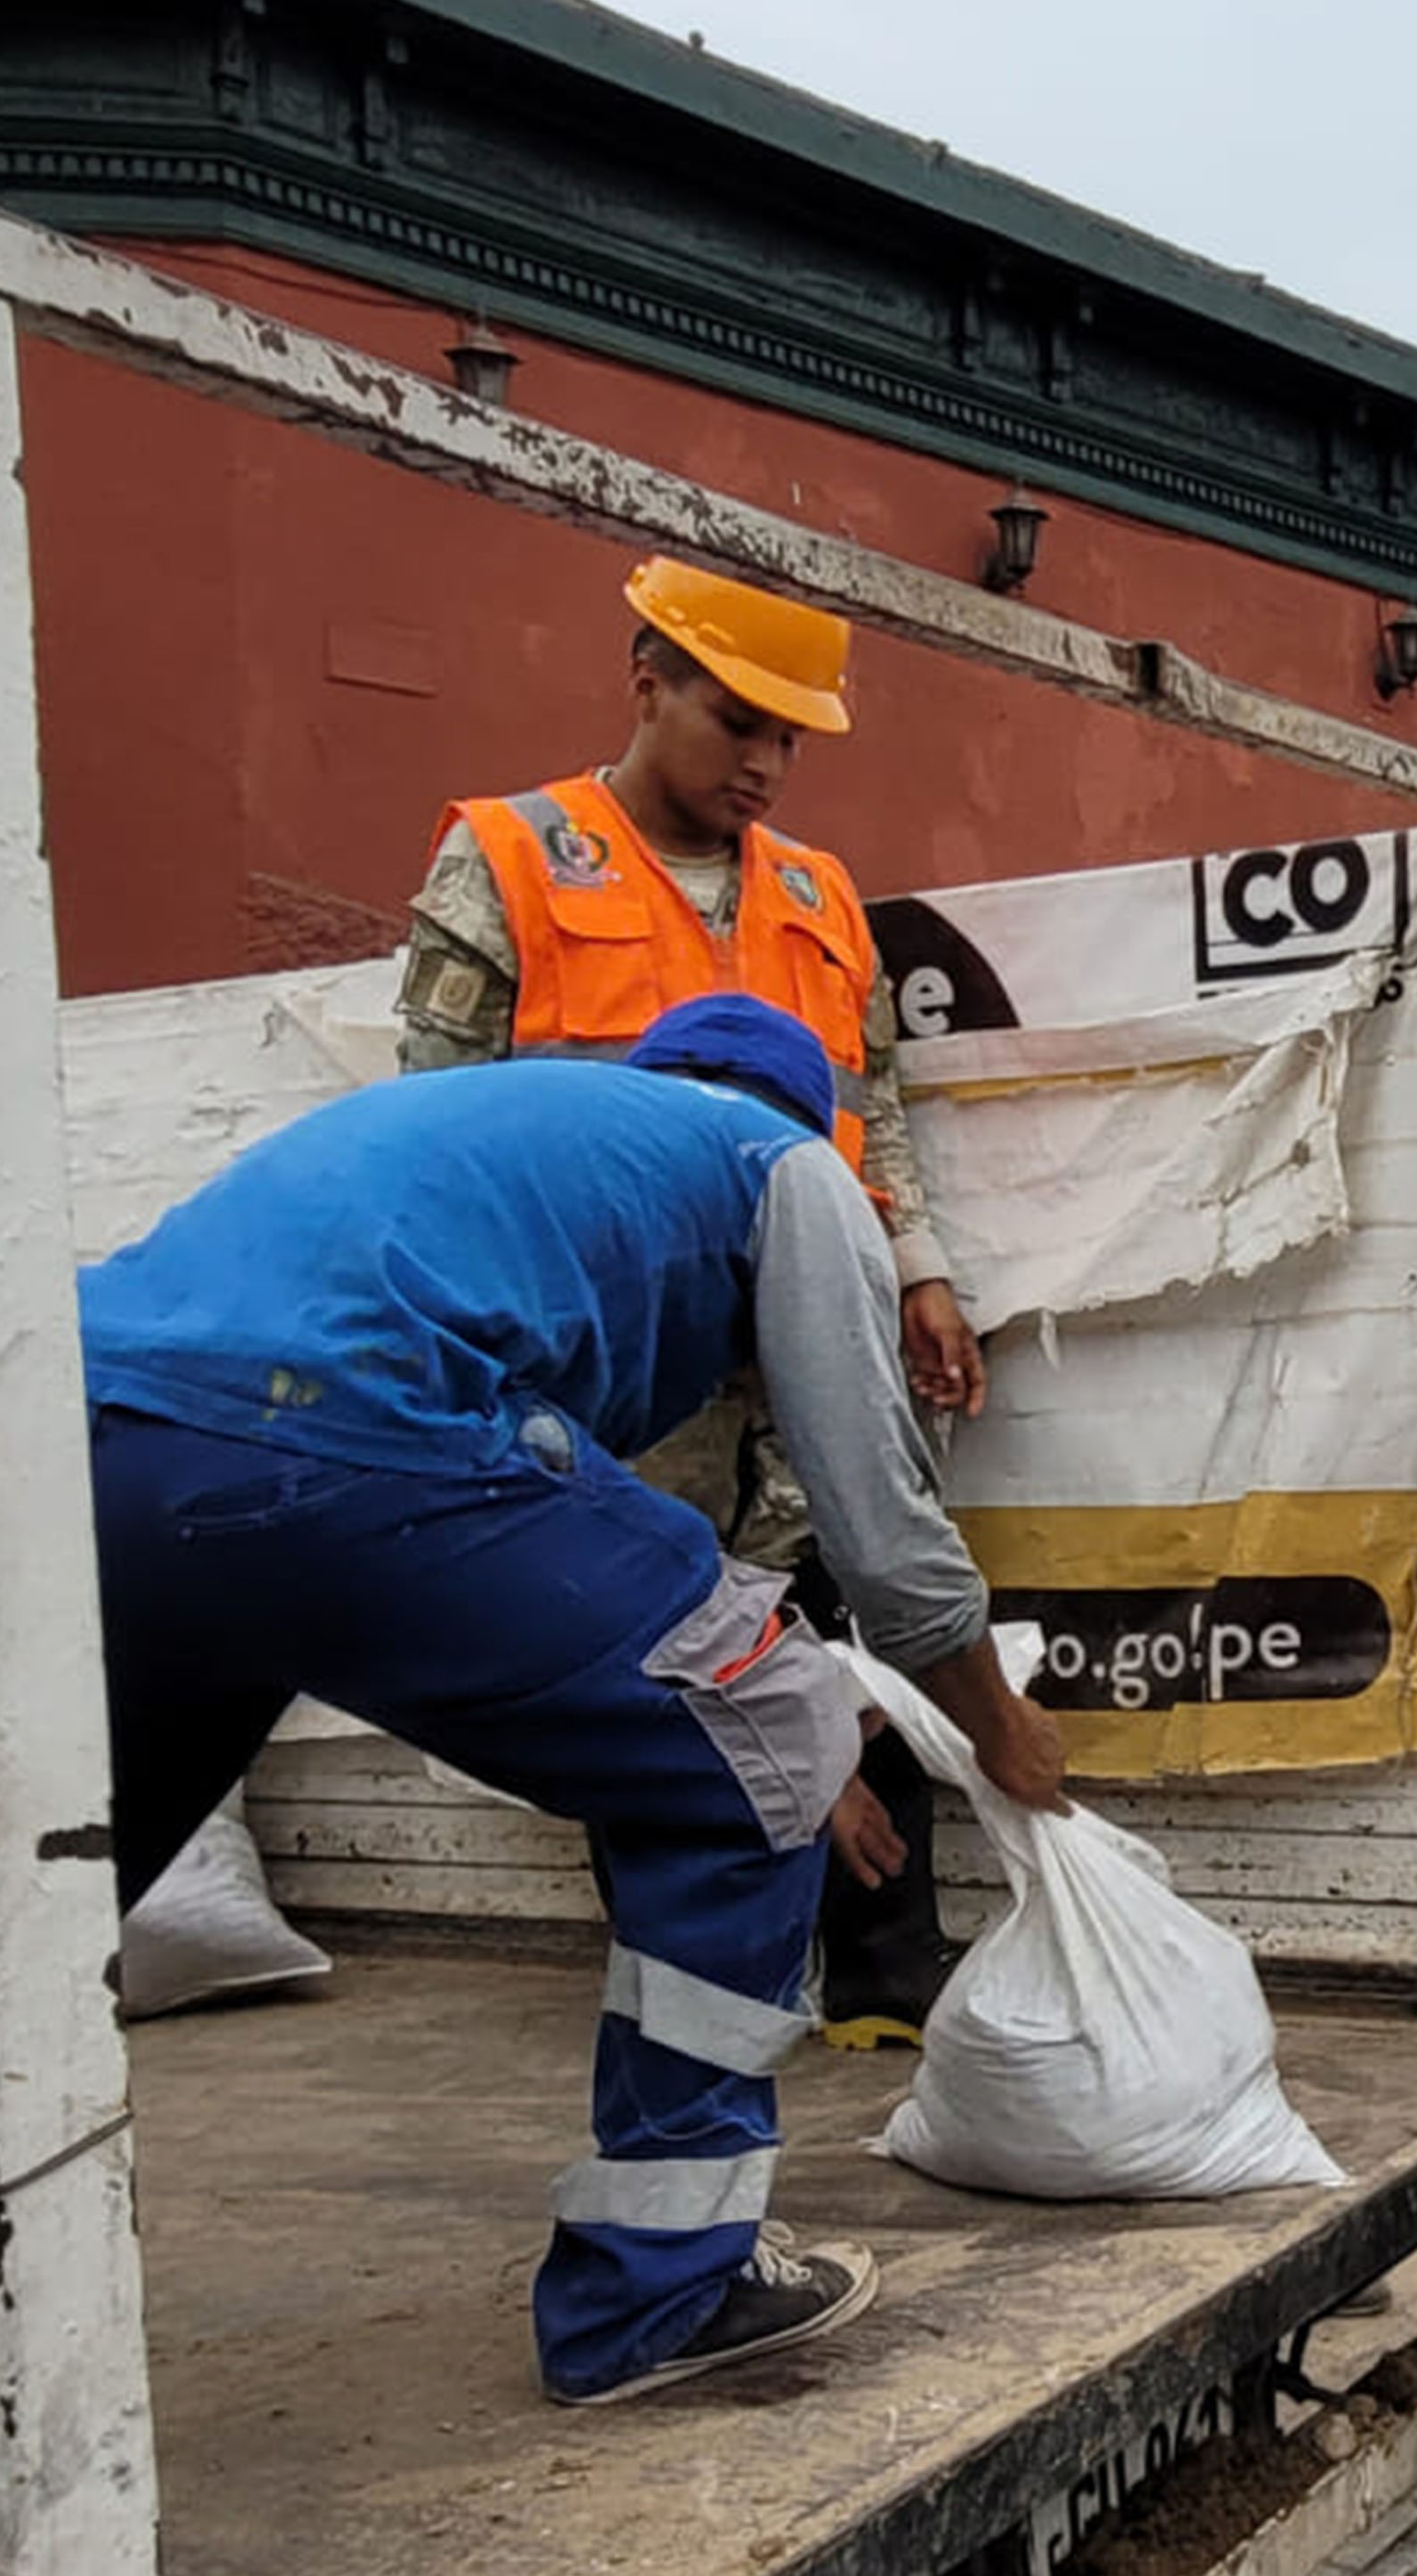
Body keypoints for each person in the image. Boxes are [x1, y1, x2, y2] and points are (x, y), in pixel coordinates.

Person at [78, 995, 1072, 2408]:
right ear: (810, 1118)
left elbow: (606, 1574)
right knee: (772, 1722)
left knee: (56, 1886)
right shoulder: (777, 1163)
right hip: (336, 1431)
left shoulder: (532, 1154)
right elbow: (887, 1539)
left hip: (92, 1436)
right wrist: (992, 1728)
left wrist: (763, 1738)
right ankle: (660, 2296)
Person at [396, 556, 987, 2050]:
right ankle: (706, 1994)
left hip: (806, 1336)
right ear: (643, 680)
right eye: (738, 722)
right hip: (616, 1354)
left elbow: (869, 1100)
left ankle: (883, 1982)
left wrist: (917, 1266)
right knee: (659, 1667)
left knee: (849, 1642)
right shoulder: (513, 857)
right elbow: (436, 1129)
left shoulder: (815, 889)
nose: (767, 764)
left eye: (792, 737)